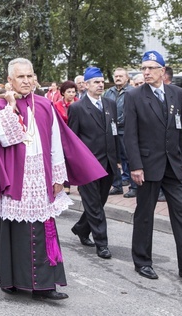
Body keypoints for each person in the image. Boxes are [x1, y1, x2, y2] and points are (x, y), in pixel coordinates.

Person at [0, 58, 105, 301]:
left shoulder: (44, 104)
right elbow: (1, 135)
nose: (27, 81)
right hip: (14, 176)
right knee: (13, 229)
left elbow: (56, 142)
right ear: (10, 80)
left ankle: (45, 284)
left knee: (43, 228)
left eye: (30, 76)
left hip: (40, 174)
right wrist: (10, 105)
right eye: (21, 77)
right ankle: (11, 280)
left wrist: (59, 175)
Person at [124, 50, 182, 282]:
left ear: (162, 71)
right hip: (147, 165)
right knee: (145, 215)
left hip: (172, 165)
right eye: (143, 68)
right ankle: (142, 261)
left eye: (151, 68)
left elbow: (180, 129)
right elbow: (130, 135)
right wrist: (135, 165)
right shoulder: (134, 96)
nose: (146, 72)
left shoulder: (175, 93)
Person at [67, 67, 118, 259]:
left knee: (100, 202)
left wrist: (118, 160)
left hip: (108, 164)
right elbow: (73, 140)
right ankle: (102, 243)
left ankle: (81, 228)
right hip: (87, 165)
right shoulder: (77, 108)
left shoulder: (110, 104)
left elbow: (114, 133)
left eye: (102, 81)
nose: (100, 84)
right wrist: (75, 165)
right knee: (94, 205)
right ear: (86, 85)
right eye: (96, 81)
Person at [104, 67, 136, 198]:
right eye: (116, 76)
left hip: (126, 130)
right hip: (111, 131)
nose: (118, 78)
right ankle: (117, 185)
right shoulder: (108, 92)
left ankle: (134, 187)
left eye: (121, 76)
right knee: (113, 158)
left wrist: (117, 121)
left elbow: (130, 111)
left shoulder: (132, 92)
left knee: (129, 158)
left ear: (127, 78)